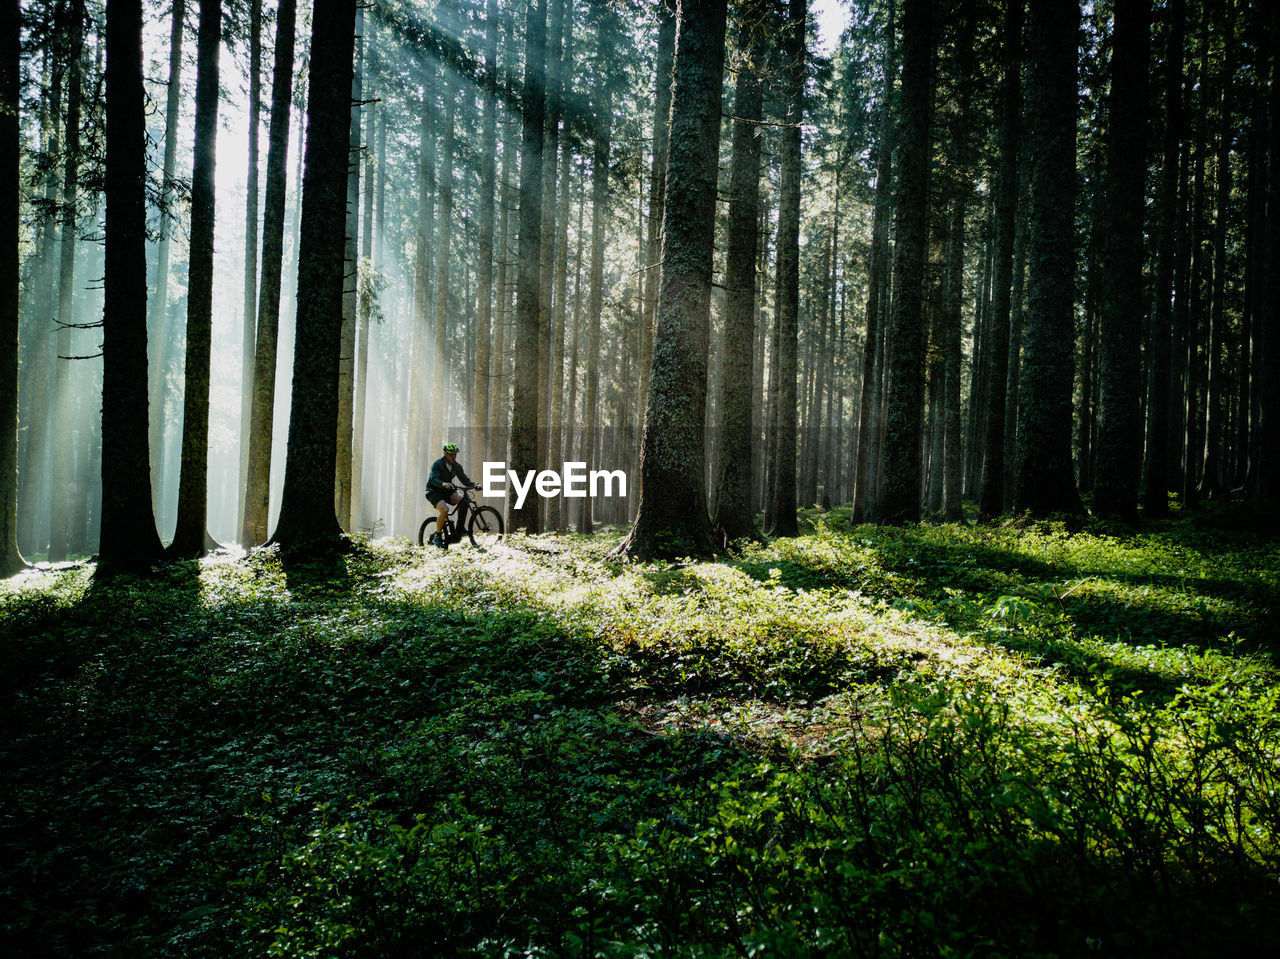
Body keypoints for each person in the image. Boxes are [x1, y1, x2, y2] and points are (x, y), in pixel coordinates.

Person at [425, 442, 476, 549]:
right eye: (451, 454)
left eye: (455, 454)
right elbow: (433, 479)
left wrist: (475, 485)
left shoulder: (456, 466)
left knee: (463, 501)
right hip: (433, 491)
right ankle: (437, 536)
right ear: (445, 454)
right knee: (444, 509)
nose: (454, 456)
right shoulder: (437, 464)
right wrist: (443, 483)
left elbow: (465, 480)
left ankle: (460, 528)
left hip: (447, 491)